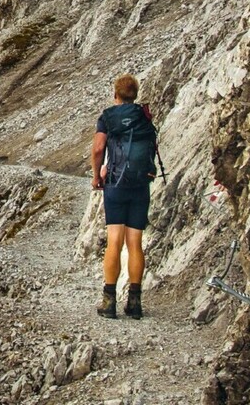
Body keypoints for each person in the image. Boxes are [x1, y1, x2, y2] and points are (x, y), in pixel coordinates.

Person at [91, 73, 155, 319]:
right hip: (140, 184)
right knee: (135, 242)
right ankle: (135, 302)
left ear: (115, 94)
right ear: (135, 95)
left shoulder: (107, 117)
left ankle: (109, 302)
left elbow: (98, 148)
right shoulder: (144, 116)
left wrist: (97, 175)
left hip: (115, 184)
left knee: (114, 241)